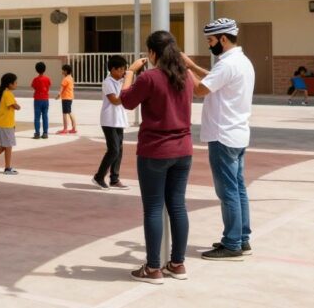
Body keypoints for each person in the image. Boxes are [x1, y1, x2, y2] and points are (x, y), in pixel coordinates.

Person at [120, 31, 194, 284]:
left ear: (152, 53)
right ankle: (178, 263)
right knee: (177, 206)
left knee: (153, 208)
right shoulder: (186, 76)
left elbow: (126, 101)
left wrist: (130, 72)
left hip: (155, 150)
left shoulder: (149, 78)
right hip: (183, 150)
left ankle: (153, 268)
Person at [185, 18, 255, 261]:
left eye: (211, 41)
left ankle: (232, 243)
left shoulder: (226, 65)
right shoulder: (240, 61)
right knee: (238, 189)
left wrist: (185, 70)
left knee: (227, 192)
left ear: (223, 39)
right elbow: (213, 79)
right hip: (237, 133)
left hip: (223, 135)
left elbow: (200, 89)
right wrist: (193, 66)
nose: (210, 45)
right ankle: (241, 237)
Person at [93, 55, 129, 190]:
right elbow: (115, 100)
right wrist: (126, 91)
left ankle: (114, 179)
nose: (122, 72)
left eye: (124, 69)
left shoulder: (120, 81)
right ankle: (99, 177)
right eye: (120, 70)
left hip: (119, 120)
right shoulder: (108, 82)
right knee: (113, 150)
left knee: (119, 150)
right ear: (113, 69)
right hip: (109, 120)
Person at [55, 63, 77, 134]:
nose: (62, 72)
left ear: (66, 71)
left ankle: (65, 129)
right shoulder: (71, 78)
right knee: (69, 112)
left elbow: (61, 89)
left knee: (65, 113)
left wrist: (58, 95)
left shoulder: (65, 79)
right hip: (70, 97)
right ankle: (74, 128)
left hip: (66, 98)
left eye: (63, 70)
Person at [31, 61, 51, 139]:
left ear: (36, 70)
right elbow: (48, 86)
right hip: (45, 99)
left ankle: (37, 133)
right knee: (45, 116)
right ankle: (45, 133)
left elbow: (33, 86)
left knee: (37, 117)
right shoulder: (47, 79)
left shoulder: (35, 79)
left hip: (37, 99)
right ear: (44, 69)